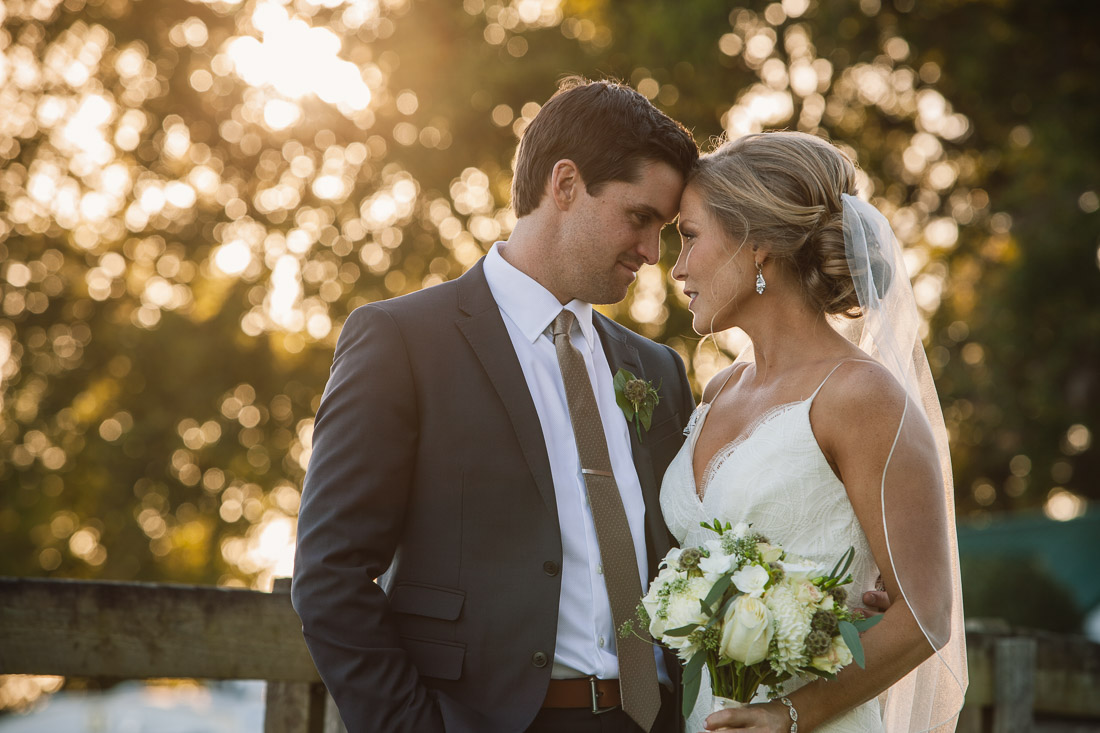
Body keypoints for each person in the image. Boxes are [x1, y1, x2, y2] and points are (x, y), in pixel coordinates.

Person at [291, 77, 700, 733]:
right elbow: (329, 574)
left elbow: (693, 548)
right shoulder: (402, 341)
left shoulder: (657, 369)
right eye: (639, 218)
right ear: (564, 185)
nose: (653, 253)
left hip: (651, 721)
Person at [660, 131, 967, 732]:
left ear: (757, 246)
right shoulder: (720, 389)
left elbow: (926, 613)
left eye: (690, 237)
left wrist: (791, 714)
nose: (677, 268)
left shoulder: (861, 395)